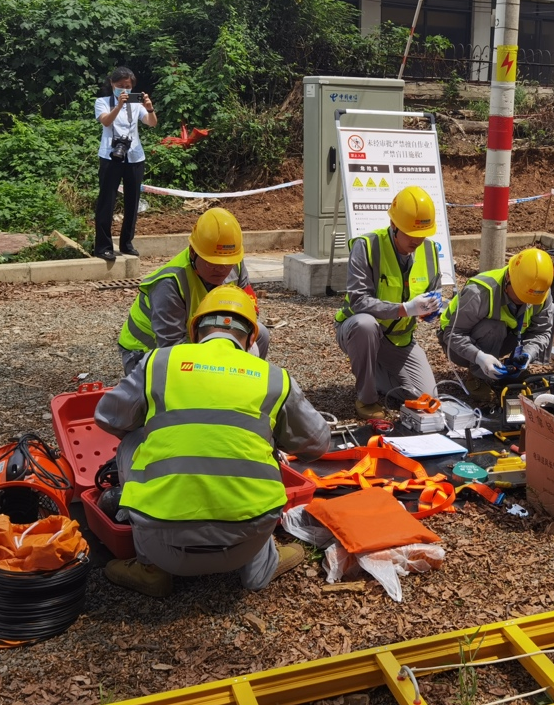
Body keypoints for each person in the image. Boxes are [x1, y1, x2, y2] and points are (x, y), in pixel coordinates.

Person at [94, 286, 330, 598]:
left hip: (163, 543)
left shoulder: (159, 362)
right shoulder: (273, 377)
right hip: (246, 542)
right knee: (265, 448)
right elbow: (317, 444)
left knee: (133, 441)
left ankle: (151, 569)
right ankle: (260, 568)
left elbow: (107, 416)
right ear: (251, 338)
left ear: (195, 332)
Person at [117, 207, 270, 376]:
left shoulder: (236, 264)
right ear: (193, 252)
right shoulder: (169, 283)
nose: (222, 269)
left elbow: (247, 314)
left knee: (260, 334)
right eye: (212, 262)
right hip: (146, 354)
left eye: (228, 262)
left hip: (200, 337)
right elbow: (172, 350)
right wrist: (216, 364)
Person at [334, 185, 443, 421]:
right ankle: (366, 397)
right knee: (366, 325)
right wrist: (404, 309)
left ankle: (377, 373)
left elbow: (434, 291)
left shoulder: (431, 251)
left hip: (399, 341)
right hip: (359, 331)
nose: (418, 240)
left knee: (425, 397)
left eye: (422, 234)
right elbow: (358, 300)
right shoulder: (367, 246)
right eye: (411, 233)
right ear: (394, 226)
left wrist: (431, 310)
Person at [437, 247, 554, 392]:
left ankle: (516, 368)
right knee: (494, 326)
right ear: (508, 278)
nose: (525, 302)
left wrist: (527, 353)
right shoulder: (480, 292)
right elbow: (452, 334)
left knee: (553, 311)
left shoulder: (538, 290)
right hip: (456, 345)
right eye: (520, 296)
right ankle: (478, 377)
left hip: (506, 337)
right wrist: (479, 357)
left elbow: (542, 331)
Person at [94, 66, 157, 261]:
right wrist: (119, 106)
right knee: (107, 201)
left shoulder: (136, 103)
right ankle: (103, 246)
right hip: (110, 156)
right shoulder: (102, 102)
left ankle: (127, 243)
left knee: (132, 201)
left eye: (128, 86)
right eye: (120, 86)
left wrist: (149, 108)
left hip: (134, 156)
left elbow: (151, 123)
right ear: (112, 84)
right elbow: (106, 121)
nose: (124, 90)